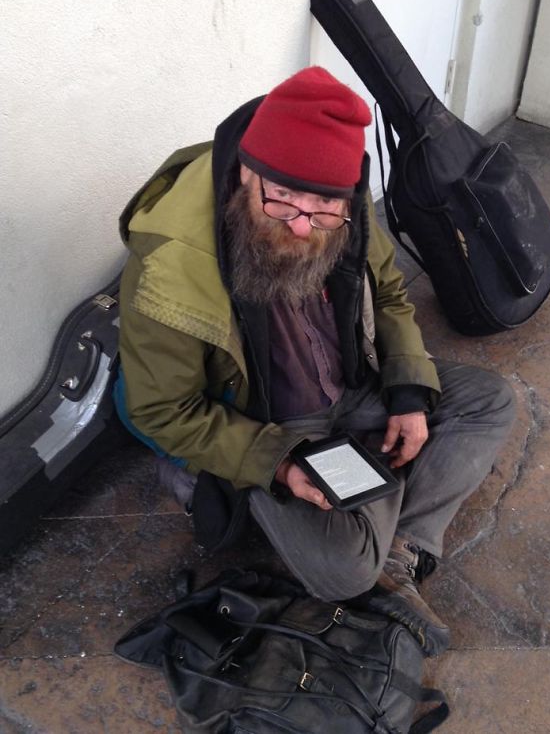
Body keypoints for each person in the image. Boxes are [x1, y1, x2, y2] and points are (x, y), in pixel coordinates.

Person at [115, 66, 515, 657]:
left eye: (323, 208)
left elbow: (389, 293)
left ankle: (397, 548)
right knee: (343, 572)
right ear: (247, 173)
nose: (302, 224)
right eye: (280, 201)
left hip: (353, 384)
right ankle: (281, 505)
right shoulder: (170, 263)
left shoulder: (347, 210)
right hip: (269, 419)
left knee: (490, 401)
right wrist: (274, 464)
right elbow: (162, 409)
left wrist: (407, 393)